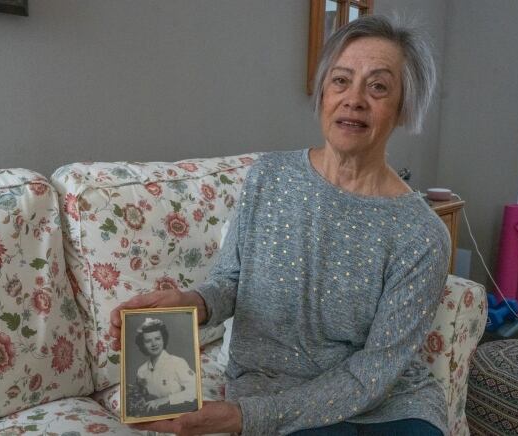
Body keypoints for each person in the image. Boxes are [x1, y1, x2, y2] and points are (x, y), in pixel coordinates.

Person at [111, 15, 448, 436]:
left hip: (390, 401)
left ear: (403, 108)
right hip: (273, 387)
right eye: (341, 80)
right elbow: (230, 281)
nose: (354, 99)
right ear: (323, 92)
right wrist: (193, 303)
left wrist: (244, 418)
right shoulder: (267, 177)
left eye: (378, 86)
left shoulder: (422, 234)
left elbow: (378, 368)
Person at [128, 318, 198, 417]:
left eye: (157, 338)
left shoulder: (177, 363)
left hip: (179, 414)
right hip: (153, 415)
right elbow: (141, 396)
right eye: (148, 341)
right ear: (143, 345)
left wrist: (166, 400)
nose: (154, 344)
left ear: (163, 339)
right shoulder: (141, 370)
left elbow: (195, 391)